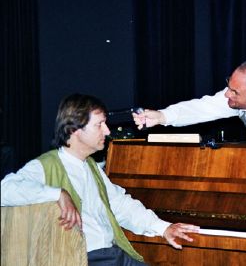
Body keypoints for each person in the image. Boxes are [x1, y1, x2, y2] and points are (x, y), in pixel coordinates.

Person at [1, 94, 199, 266]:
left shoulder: (91, 167)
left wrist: (163, 228)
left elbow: (120, 205)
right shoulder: (45, 165)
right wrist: (58, 194)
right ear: (73, 130)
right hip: (83, 258)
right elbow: (5, 190)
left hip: (110, 254)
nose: (107, 131)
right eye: (99, 125)